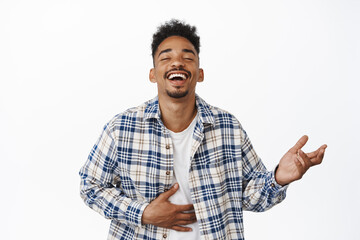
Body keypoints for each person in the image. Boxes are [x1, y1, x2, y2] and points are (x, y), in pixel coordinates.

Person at [79, 19, 327, 240]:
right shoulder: (121, 128)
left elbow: (251, 197)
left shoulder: (228, 127)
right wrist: (143, 213)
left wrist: (278, 178)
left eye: (188, 57)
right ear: (153, 74)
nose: (177, 61)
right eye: (166, 57)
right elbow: (90, 186)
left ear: (200, 73)